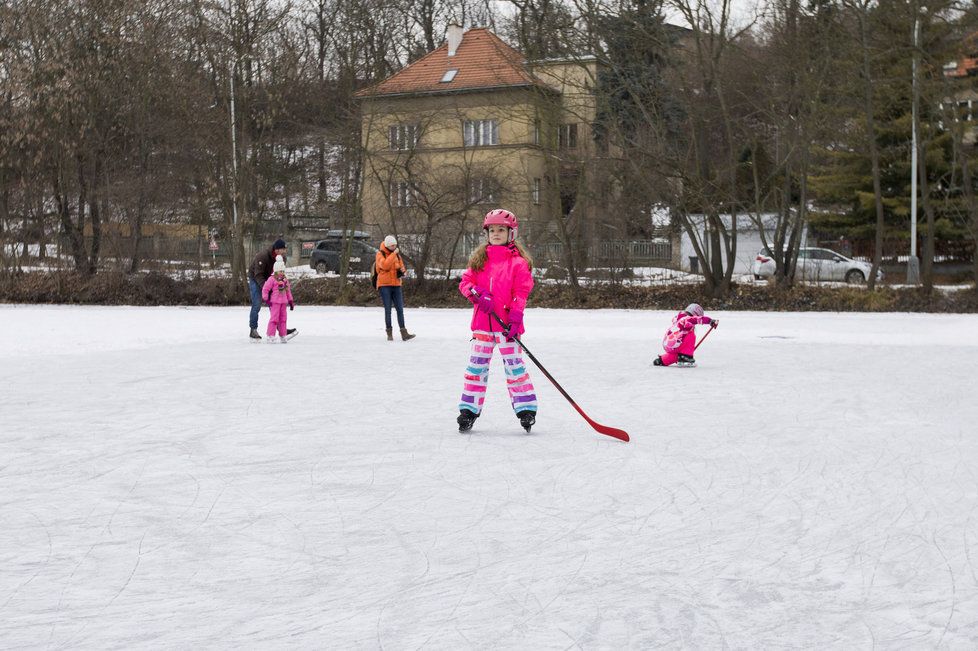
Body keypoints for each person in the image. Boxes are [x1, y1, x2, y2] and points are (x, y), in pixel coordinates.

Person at [456, 209, 537, 433]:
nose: (496, 233)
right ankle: (468, 411)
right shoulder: (479, 260)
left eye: (501, 229)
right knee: (476, 369)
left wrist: (516, 316)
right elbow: (465, 283)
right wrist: (476, 293)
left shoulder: (518, 263)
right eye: (492, 230)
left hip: (507, 328)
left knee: (515, 369)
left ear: (511, 233)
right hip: (483, 325)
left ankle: (526, 409)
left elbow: (522, 292)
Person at [247, 238, 293, 341]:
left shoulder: (282, 258)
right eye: (283, 249)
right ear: (277, 250)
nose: (285, 251)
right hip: (256, 278)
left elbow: (280, 274)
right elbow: (258, 275)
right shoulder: (263, 256)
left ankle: (281, 329)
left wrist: (280, 289)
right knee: (257, 303)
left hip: (271, 279)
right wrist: (267, 288)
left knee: (275, 304)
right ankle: (253, 329)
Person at [375, 235, 415, 341]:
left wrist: (403, 271)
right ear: (388, 245)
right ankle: (389, 333)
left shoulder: (396, 255)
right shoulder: (380, 254)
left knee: (400, 309)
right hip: (384, 285)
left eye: (395, 245)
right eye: (392, 245)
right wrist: (393, 254)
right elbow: (385, 266)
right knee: (388, 310)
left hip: (396, 284)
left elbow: (401, 266)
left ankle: (404, 333)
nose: (394, 247)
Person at [653, 303, 718, 367]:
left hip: (668, 343)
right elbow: (697, 319)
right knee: (691, 335)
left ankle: (662, 360)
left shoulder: (679, 319)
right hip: (675, 342)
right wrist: (710, 321)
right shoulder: (687, 319)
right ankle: (686, 357)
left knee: (678, 355)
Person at [261, 255, 295, 343]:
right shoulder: (271, 279)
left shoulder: (285, 280)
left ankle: (283, 335)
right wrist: (266, 299)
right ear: (276, 270)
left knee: (283, 319)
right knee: (274, 319)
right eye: (280, 271)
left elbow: (288, 291)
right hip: (275, 302)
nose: (282, 273)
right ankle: (270, 335)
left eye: (283, 271)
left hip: (283, 303)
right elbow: (265, 289)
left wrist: (290, 301)